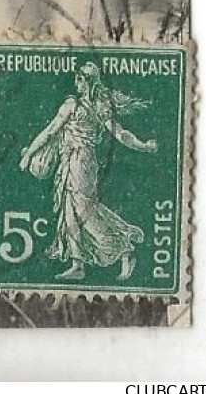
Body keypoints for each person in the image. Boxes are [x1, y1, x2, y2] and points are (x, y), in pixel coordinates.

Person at [18, 61, 157, 281]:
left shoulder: (75, 105)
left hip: (79, 162)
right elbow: (120, 135)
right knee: (70, 210)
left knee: (83, 210)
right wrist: (144, 146)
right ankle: (78, 263)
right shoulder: (95, 106)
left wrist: (28, 155)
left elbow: (50, 131)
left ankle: (123, 247)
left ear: (88, 82)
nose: (76, 82)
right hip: (76, 161)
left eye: (80, 79)